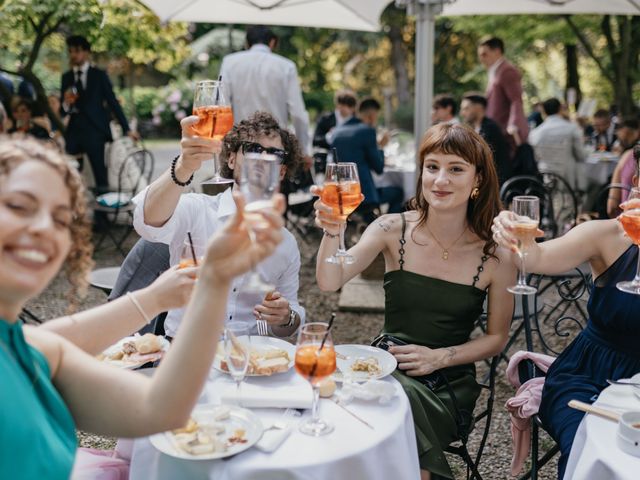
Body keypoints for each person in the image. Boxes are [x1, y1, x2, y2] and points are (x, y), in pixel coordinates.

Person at [0, 135, 284, 479]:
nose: (45, 228)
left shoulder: (23, 349)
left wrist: (215, 278)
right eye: (18, 206)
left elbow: (161, 409)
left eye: (61, 219)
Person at [315, 123, 515, 479]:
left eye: (456, 169)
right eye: (432, 166)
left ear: (478, 181)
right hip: (386, 366)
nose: (440, 179)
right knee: (370, 404)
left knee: (385, 412)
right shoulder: (392, 229)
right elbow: (330, 280)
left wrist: (441, 357)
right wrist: (333, 229)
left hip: (448, 383)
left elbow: (497, 338)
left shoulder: (496, 255)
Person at [491, 148, 640, 479]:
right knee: (594, 448)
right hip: (589, 377)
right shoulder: (607, 236)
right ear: (636, 184)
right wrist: (514, 233)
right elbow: (537, 257)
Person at [133, 111, 305, 339]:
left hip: (251, 358)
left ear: (281, 171)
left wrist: (285, 317)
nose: (262, 159)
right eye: (253, 149)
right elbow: (147, 223)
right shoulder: (197, 209)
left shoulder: (286, 243)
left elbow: (288, 324)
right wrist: (184, 166)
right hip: (184, 351)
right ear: (231, 159)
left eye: (274, 153)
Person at [220, 25, 311, 160]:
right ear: (272, 42)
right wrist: (304, 151)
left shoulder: (230, 62)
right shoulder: (286, 66)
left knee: (241, 181)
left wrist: (224, 148)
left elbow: (222, 105)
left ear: (247, 43)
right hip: (275, 147)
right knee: (275, 181)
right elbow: (298, 114)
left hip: (241, 146)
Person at [60, 35, 137, 193]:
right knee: (70, 175)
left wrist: (127, 128)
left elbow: (112, 102)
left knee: (100, 175)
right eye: (70, 51)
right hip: (74, 133)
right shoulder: (66, 77)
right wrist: (66, 102)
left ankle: (102, 215)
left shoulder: (99, 75)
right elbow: (63, 110)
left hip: (95, 132)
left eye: (77, 51)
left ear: (87, 52)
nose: (73, 55)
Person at [331, 97, 403, 223]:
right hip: (363, 197)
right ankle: (388, 229)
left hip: (342, 195)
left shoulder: (337, 131)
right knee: (398, 193)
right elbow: (379, 168)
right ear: (372, 116)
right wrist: (381, 146)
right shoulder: (367, 131)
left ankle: (368, 225)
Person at [478, 37, 529, 151]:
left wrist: (513, 126)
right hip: (497, 132)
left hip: (505, 135)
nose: (481, 59)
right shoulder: (495, 71)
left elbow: (516, 100)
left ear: (497, 51)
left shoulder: (507, 71)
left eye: (484, 54)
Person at [528, 97, 586, 189]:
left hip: (545, 180)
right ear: (560, 109)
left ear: (544, 111)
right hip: (568, 180)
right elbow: (581, 155)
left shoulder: (535, 133)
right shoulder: (572, 128)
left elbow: (535, 157)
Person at [460, 92, 511, 185]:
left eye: (466, 108)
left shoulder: (490, 129)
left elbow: (481, 159)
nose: (462, 113)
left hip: (495, 183)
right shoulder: (476, 128)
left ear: (479, 108)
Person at [313, 89, 357, 171]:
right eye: (344, 105)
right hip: (327, 164)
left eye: (350, 106)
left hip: (350, 163)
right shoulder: (326, 119)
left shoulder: (356, 121)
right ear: (338, 105)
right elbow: (315, 140)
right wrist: (329, 136)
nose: (347, 109)